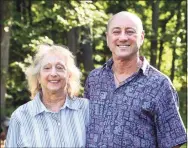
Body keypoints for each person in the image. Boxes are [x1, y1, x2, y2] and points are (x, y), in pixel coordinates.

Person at [84, 11, 187, 148]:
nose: (123, 37)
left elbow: (172, 143)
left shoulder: (159, 84)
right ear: (108, 38)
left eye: (130, 31)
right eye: (116, 32)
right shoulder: (94, 79)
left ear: (141, 37)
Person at [5, 44, 89, 147]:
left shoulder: (87, 110)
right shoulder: (20, 117)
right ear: (38, 77)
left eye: (60, 67)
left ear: (69, 75)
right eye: (47, 68)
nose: (53, 73)